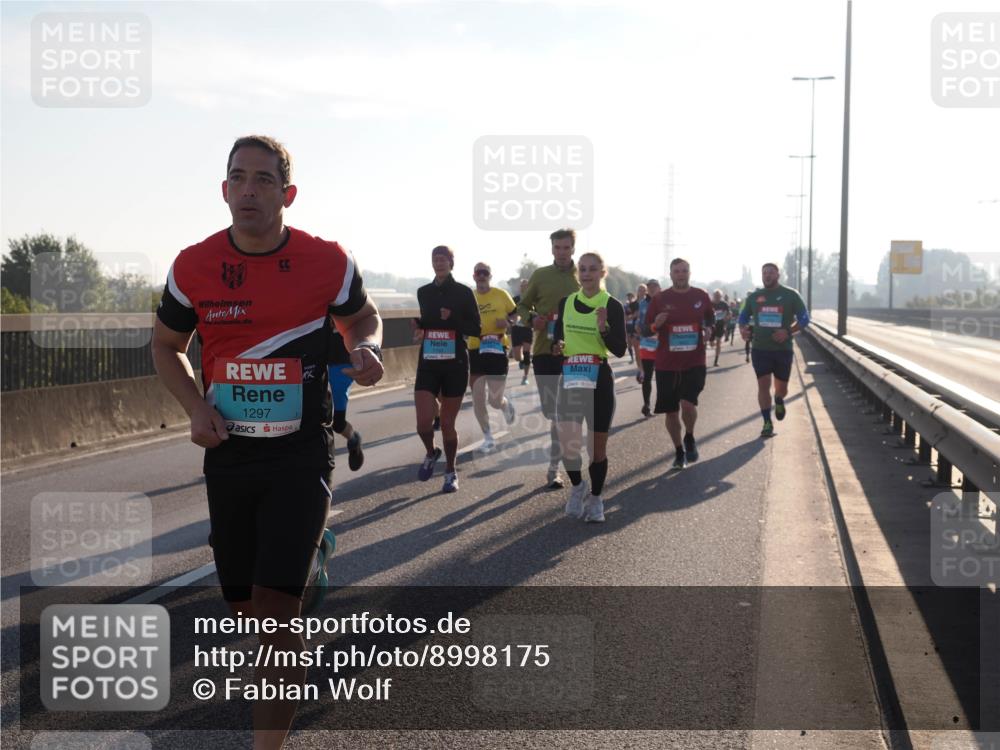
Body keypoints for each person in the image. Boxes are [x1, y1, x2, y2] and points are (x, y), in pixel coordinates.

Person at [151, 135, 384, 750]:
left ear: (288, 193)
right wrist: (195, 406)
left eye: (263, 179)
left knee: (277, 626)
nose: (248, 189)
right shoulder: (193, 265)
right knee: (248, 616)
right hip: (229, 451)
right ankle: (316, 555)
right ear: (224, 189)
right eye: (238, 178)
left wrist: (368, 346)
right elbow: (165, 345)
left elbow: (363, 316)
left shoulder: (326, 260)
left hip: (299, 451)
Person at [551, 252, 627, 523]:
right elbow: (557, 338)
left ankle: (595, 498)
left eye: (592, 269)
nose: (586, 274)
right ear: (577, 274)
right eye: (582, 269)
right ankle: (578, 486)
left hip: (599, 381)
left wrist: (604, 328)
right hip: (571, 379)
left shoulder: (612, 305)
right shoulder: (566, 303)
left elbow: (620, 349)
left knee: (597, 451)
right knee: (568, 446)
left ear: (602, 273)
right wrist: (557, 346)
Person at [516, 228, 582, 489]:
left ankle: (555, 468)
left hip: (575, 354)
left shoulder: (585, 276)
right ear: (552, 248)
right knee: (552, 412)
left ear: (573, 249)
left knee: (563, 415)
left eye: (566, 248)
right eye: (557, 248)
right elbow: (522, 306)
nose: (562, 253)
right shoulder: (541, 275)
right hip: (544, 351)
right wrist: (533, 319)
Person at [412, 245, 480, 492]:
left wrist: (452, 318)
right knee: (423, 425)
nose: (439, 263)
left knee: (448, 424)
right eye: (435, 259)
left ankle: (450, 472)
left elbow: (475, 328)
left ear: (451, 262)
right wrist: (419, 326)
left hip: (455, 364)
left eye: (443, 259)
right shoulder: (424, 292)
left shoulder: (463, 292)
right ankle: (431, 452)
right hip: (429, 362)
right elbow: (429, 321)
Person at [644, 258, 715, 469]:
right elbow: (645, 330)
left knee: (687, 404)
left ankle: (690, 436)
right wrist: (656, 325)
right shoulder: (660, 299)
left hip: (694, 361)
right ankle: (678, 451)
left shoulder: (701, 296)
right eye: (677, 271)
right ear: (671, 274)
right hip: (667, 364)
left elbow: (710, 318)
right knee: (671, 411)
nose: (681, 274)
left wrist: (709, 329)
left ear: (690, 273)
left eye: (684, 271)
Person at [738, 263, 810, 438]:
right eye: (764, 273)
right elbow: (742, 316)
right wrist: (743, 329)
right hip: (760, 348)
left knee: (781, 388)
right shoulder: (755, 296)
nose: (767, 275)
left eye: (771, 272)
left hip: (782, 349)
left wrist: (787, 331)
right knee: (763, 386)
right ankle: (767, 423)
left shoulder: (791, 295)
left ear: (778, 274)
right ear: (762, 276)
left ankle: (779, 399)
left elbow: (804, 318)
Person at [469, 262, 518, 452]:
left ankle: (505, 405)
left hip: (498, 347)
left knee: (494, 400)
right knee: (478, 397)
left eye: (485, 273)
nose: (481, 276)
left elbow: (516, 316)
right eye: (478, 273)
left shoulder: (501, 295)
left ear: (490, 276)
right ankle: (488, 437)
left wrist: (507, 322)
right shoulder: (470, 297)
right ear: (474, 276)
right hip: (476, 348)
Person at [328, 329, 364, 470]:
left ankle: (353, 438)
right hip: (318, 362)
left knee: (338, 423)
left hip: (342, 365)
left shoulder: (345, 307)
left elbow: (368, 320)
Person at [635, 279, 661, 417]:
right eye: (649, 287)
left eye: (654, 286)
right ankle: (647, 405)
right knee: (648, 376)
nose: (651, 289)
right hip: (647, 344)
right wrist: (638, 327)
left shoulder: (664, 302)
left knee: (663, 375)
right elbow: (639, 321)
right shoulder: (643, 304)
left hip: (662, 344)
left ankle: (663, 402)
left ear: (659, 288)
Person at [510, 278, 534, 385]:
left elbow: (537, 312)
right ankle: (521, 361)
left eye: (526, 285)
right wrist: (510, 320)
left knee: (527, 352)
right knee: (517, 356)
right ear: (520, 287)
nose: (524, 287)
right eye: (523, 285)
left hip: (527, 328)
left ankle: (525, 377)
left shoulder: (533, 300)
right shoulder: (515, 299)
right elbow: (508, 312)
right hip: (516, 329)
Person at [709, 289, 731, 367]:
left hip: (720, 325)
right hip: (711, 325)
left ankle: (716, 361)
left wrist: (727, 317)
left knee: (718, 342)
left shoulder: (724, 304)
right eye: (716, 296)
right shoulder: (710, 304)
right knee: (711, 344)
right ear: (713, 296)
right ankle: (712, 342)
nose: (717, 298)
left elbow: (729, 313)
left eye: (719, 296)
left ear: (721, 297)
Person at [624, 291, 638, 363]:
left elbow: (636, 314)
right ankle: (632, 358)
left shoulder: (636, 304)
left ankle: (638, 357)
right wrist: (626, 318)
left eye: (630, 296)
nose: (629, 298)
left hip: (634, 326)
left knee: (635, 343)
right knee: (629, 343)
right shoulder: (626, 305)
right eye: (628, 296)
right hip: (628, 326)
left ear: (633, 296)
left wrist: (629, 317)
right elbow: (624, 315)